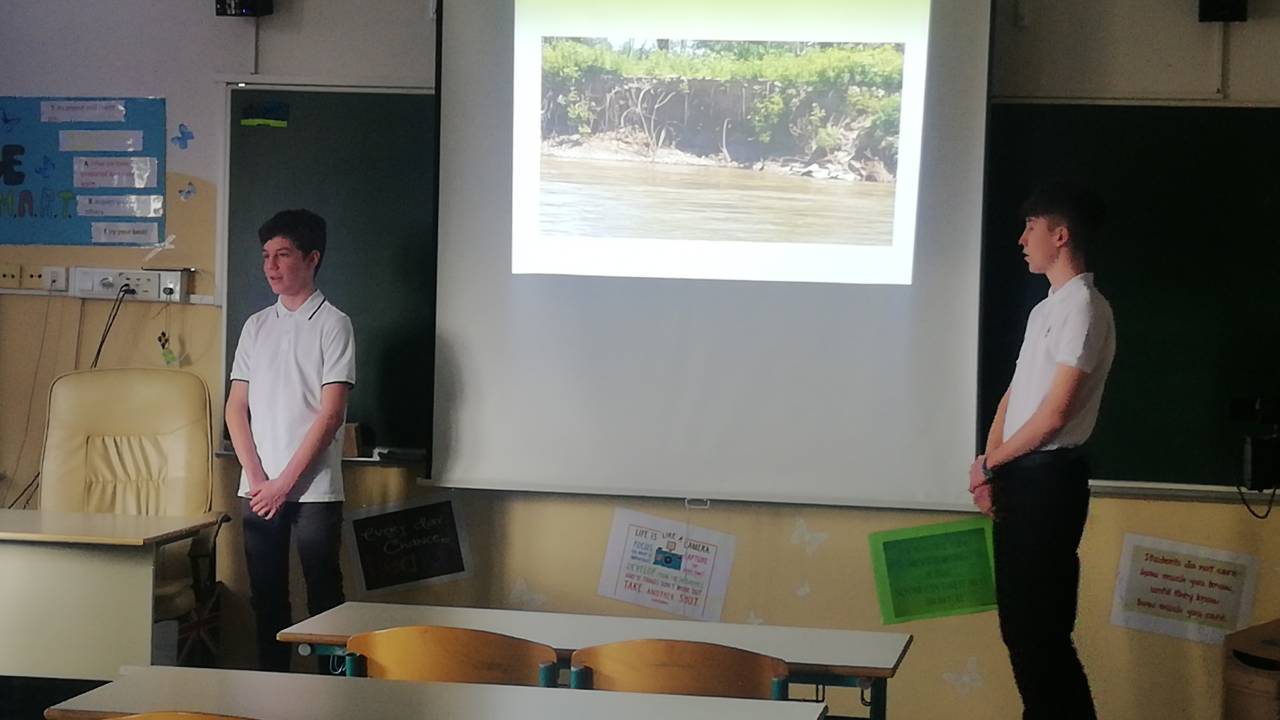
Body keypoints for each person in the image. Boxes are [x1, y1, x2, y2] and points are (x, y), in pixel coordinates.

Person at [970, 181, 1115, 719]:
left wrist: (993, 463)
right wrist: (987, 467)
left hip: (1049, 481)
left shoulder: (1085, 307)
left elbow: (1055, 414)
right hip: (1019, 476)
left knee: (1041, 633)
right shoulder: (1044, 310)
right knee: (1020, 629)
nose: (1021, 240)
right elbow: (1015, 395)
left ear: (1060, 235)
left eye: (1030, 228)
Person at [225, 208, 355, 671]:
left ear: (312, 258)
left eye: (282, 255)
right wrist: (260, 480)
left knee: (324, 599)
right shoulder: (256, 325)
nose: (271, 266)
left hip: (313, 490)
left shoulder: (333, 323)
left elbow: (330, 414)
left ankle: (331, 695)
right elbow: (235, 408)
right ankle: (271, 692)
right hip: (259, 489)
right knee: (266, 599)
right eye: (266, 256)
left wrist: (284, 484)